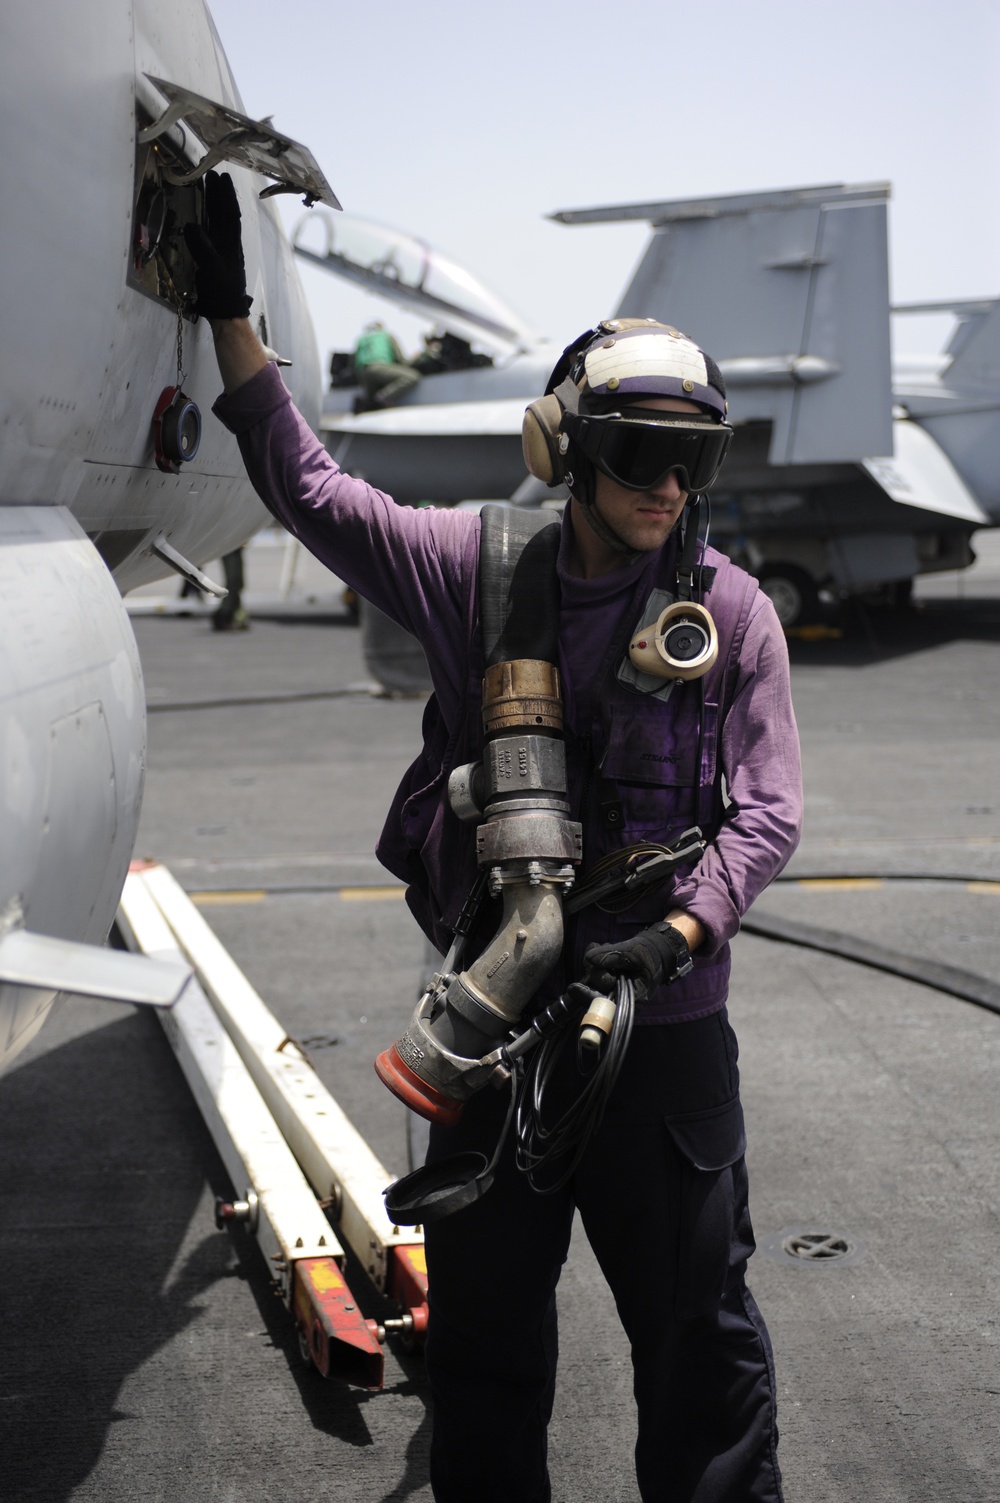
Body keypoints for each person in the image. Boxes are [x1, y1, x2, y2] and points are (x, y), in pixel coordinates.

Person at [186, 172, 802, 1503]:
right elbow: (306, 486)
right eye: (640, 450)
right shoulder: (469, 568)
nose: (669, 483)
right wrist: (232, 315)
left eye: (695, 455)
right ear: (563, 447)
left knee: (703, 1345)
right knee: (480, 1355)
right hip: (491, 1025)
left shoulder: (731, 611)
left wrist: (674, 933)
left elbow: (766, 807)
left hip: (667, 1033)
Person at [352, 318, 422, 408]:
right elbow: (401, 360)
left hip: (362, 374)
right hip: (380, 368)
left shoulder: (360, 339)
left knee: (371, 405)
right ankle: (385, 396)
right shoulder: (386, 335)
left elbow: (353, 364)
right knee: (413, 376)